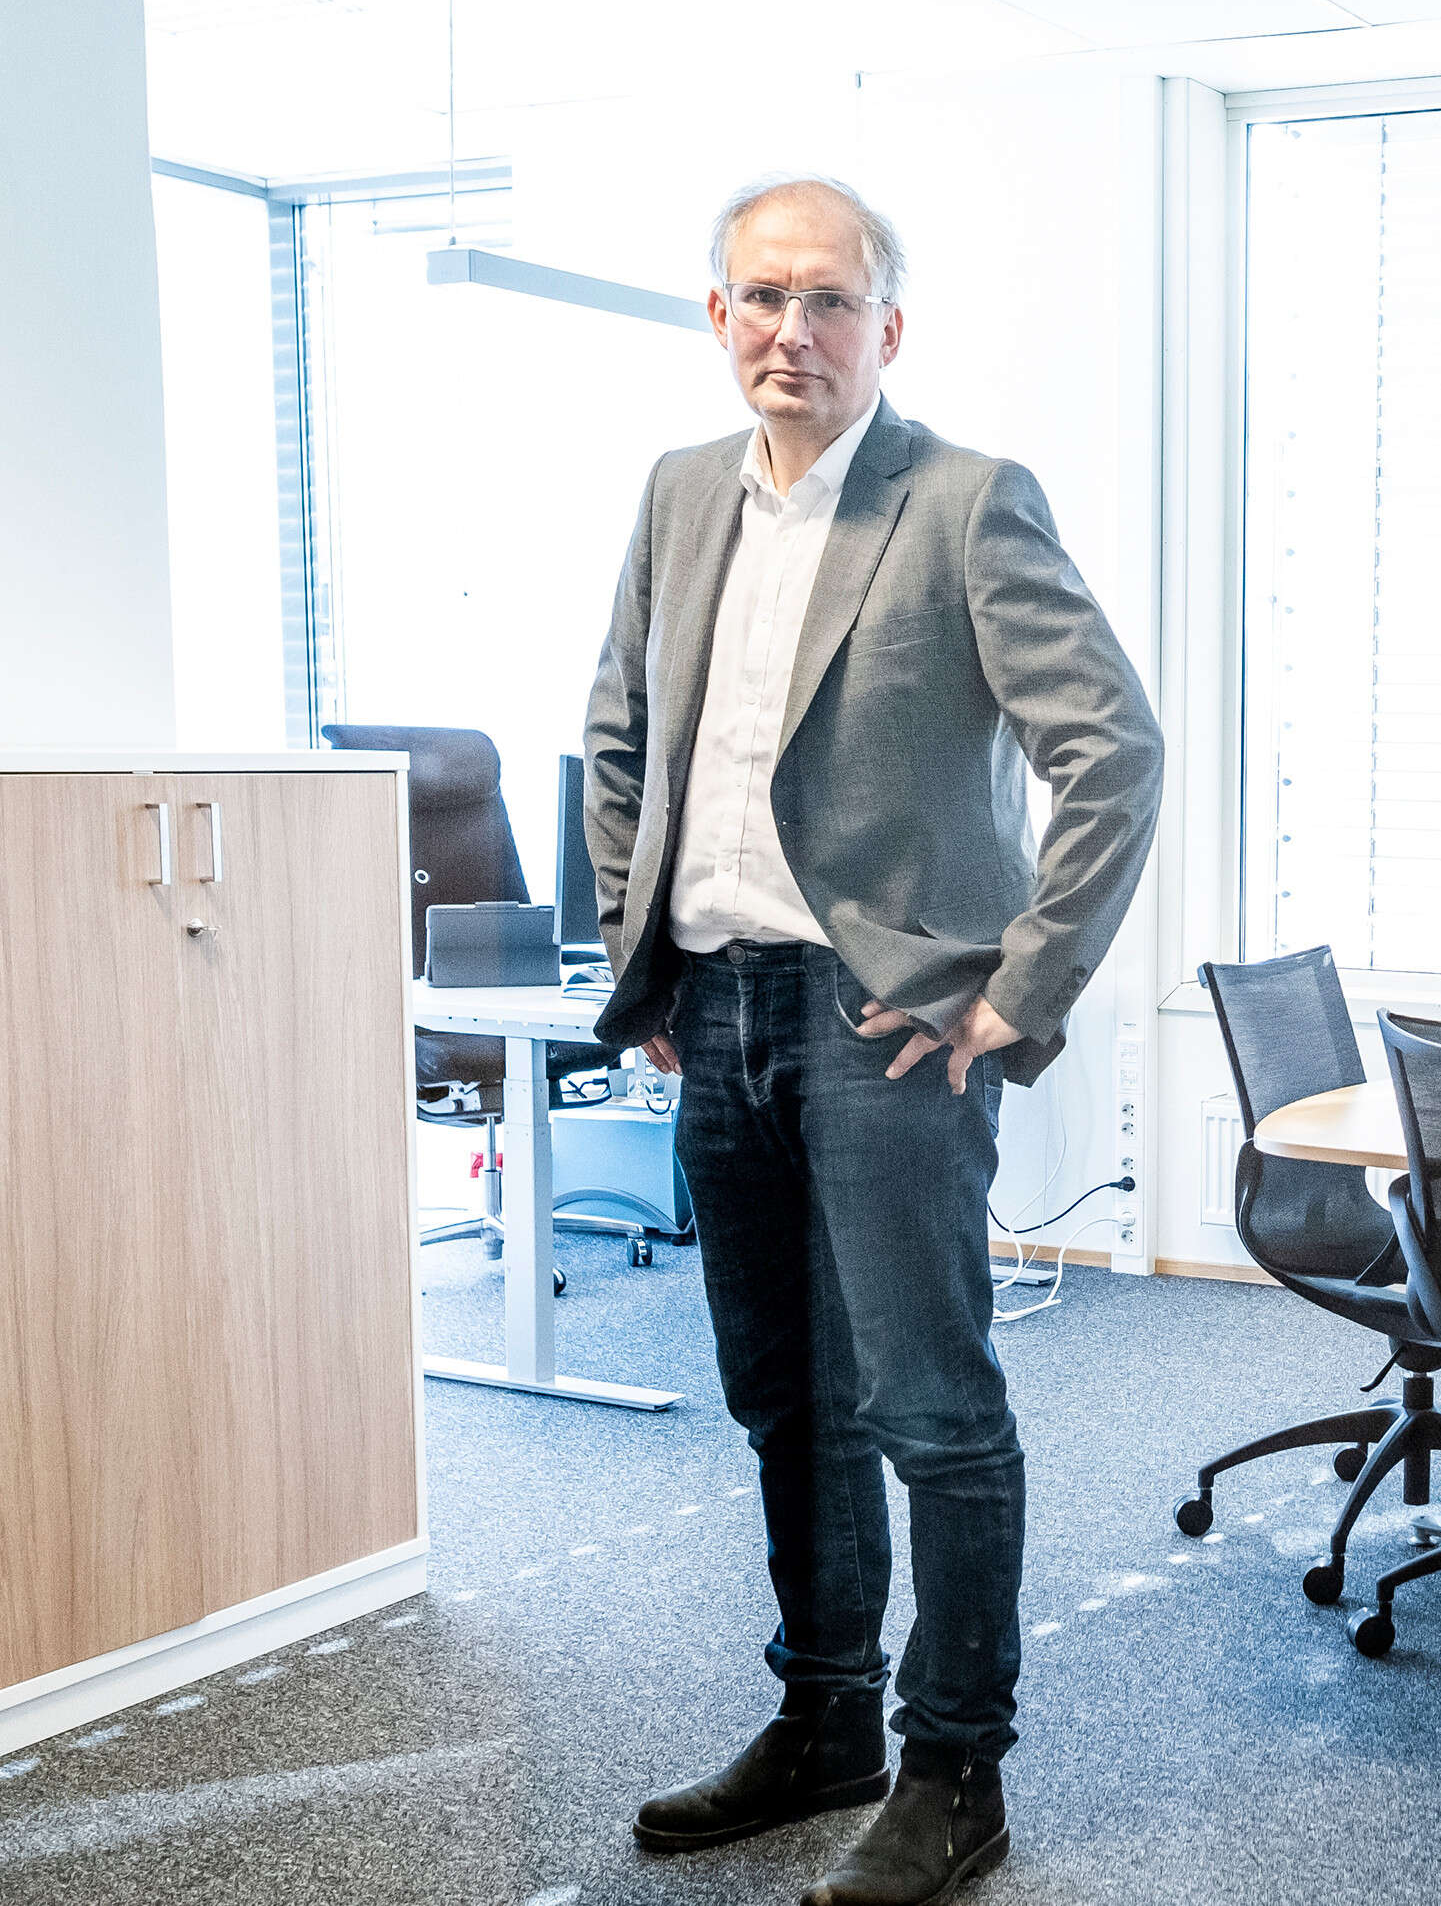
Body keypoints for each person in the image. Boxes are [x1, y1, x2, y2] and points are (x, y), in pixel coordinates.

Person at [579, 173, 1162, 1906]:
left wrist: (1017, 990)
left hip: (881, 1023)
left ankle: (954, 1773)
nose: (793, 331)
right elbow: (620, 736)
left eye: (830, 301)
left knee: (930, 1409)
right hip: (719, 1013)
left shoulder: (966, 503)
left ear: (886, 329)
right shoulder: (680, 493)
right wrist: (642, 955)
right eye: (762, 298)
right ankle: (823, 1720)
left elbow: (1112, 753)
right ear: (717, 317)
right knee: (785, 1400)